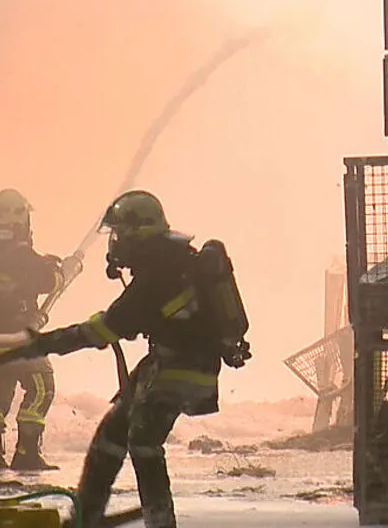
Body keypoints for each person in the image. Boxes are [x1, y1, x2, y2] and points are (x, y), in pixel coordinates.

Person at [37, 190, 250, 528]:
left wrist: (48, 342)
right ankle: (87, 516)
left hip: (185, 368)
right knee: (112, 433)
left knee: (143, 440)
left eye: (120, 233)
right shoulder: (167, 260)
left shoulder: (160, 271)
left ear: (140, 232)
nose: (116, 242)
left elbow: (109, 327)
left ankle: (159, 520)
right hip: (169, 363)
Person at [0, 188, 82, 471]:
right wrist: (65, 270)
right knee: (42, 386)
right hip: (17, 339)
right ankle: (27, 453)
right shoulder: (19, 252)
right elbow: (48, 281)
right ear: (19, 218)